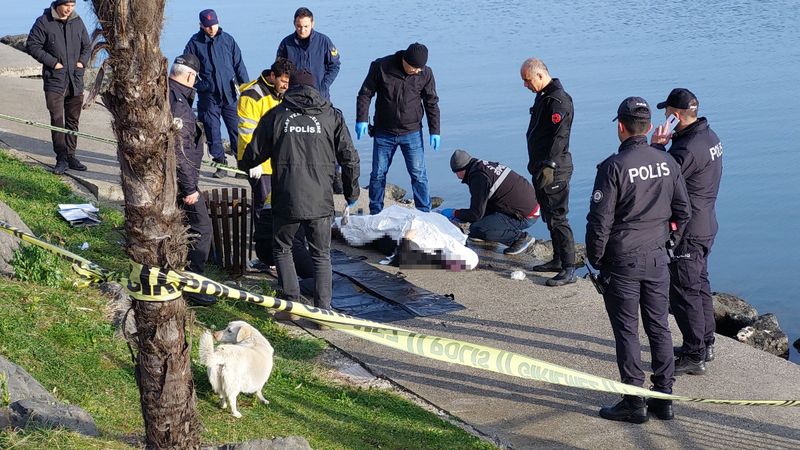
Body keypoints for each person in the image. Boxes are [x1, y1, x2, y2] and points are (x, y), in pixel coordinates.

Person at [586, 97, 691, 423]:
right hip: (658, 257)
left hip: (623, 262)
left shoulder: (613, 167)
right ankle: (664, 398)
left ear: (621, 127)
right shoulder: (667, 163)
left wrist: (597, 259)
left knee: (628, 332)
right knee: (660, 327)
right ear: (647, 127)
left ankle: (634, 402)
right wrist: (668, 244)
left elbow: (599, 221)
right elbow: (683, 211)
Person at [239, 71, 360, 327]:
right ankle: (323, 312)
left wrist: (248, 164)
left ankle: (291, 304)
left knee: (282, 248)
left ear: (291, 88)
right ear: (314, 89)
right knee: (321, 255)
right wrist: (351, 193)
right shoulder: (331, 115)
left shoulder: (277, 115)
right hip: (320, 199)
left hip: (287, 197)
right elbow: (349, 157)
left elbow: (253, 153)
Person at [651, 88, 723, 375]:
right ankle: (706, 342)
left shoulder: (687, 149)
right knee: (700, 286)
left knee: (684, 292)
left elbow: (663, 178)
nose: (665, 117)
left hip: (689, 230)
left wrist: (657, 146)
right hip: (706, 223)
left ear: (676, 116)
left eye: (667, 113)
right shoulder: (710, 136)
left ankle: (695, 354)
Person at [356, 43, 441, 215]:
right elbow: (365, 93)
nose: (418, 71)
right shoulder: (381, 66)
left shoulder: (426, 73)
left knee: (418, 174)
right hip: (383, 132)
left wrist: (435, 131)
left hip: (412, 132)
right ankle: (375, 211)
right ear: (405, 60)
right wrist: (362, 119)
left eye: (421, 68)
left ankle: (424, 213)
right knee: (378, 174)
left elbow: (431, 103)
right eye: (415, 68)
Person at [520, 58, 577, 286]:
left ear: (540, 76)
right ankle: (557, 259)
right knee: (549, 216)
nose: (525, 85)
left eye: (527, 80)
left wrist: (550, 166)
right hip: (541, 166)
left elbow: (559, 136)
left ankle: (569, 268)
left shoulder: (558, 101)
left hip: (555, 170)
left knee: (558, 217)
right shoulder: (544, 96)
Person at [168, 53, 217, 307]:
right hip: (181, 182)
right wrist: (189, 188)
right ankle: (194, 286)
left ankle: (177, 274)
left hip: (171, 180)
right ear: (189, 76)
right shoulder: (179, 106)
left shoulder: (166, 93)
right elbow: (180, 151)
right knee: (201, 228)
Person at [236, 57, 294, 266]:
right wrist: (256, 162)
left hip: (277, 161)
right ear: (272, 76)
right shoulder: (252, 96)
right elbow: (246, 133)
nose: (286, 87)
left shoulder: (281, 93)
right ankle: (265, 254)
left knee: (277, 205)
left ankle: (275, 248)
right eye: (283, 82)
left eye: (289, 83)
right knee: (263, 207)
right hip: (257, 161)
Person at [26, 0, 91, 175]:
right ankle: (61, 158)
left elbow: (87, 46)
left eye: (73, 5)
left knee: (73, 120)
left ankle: (71, 156)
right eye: (66, 5)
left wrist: (81, 63)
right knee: (57, 119)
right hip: (55, 80)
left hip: (75, 80)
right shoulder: (43, 21)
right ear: (57, 4)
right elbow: (32, 45)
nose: (69, 9)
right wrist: (53, 63)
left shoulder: (77, 21)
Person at [184, 9, 249, 178]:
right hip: (208, 96)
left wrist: (246, 88)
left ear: (218, 22)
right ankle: (221, 163)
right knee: (213, 132)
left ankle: (241, 165)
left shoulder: (228, 40)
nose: (211, 29)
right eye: (207, 26)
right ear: (201, 25)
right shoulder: (194, 43)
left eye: (213, 25)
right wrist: (199, 85)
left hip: (229, 95)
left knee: (236, 130)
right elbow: (186, 68)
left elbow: (239, 66)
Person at [441, 149, 540, 254]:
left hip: (525, 216)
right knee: (477, 226)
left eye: (455, 172)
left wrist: (455, 213)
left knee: (478, 228)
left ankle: (519, 238)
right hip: (528, 205)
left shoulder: (478, 178)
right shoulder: (482, 166)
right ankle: (490, 231)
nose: (456, 176)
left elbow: (476, 214)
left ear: (461, 170)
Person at [276, 7, 340, 101]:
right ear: (294, 24)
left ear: (312, 24)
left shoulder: (324, 42)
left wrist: (323, 86)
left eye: (306, 26)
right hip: (293, 97)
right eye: (299, 26)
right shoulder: (286, 43)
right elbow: (279, 69)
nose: (302, 30)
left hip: (319, 96)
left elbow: (335, 66)